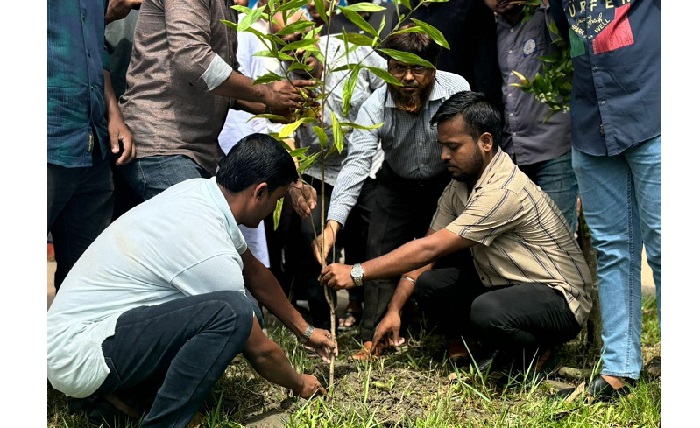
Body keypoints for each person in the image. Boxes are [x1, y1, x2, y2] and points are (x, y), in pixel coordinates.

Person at [47, 134, 335, 427]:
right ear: (260, 192)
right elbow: (259, 349)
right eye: (278, 198)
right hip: (81, 354)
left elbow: (255, 273)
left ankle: (126, 396)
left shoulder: (202, 195)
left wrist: (305, 329)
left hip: (89, 337)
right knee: (233, 313)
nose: (275, 208)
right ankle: (164, 421)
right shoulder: (209, 250)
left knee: (236, 309)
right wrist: (300, 383)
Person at [319, 91, 593, 375]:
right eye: (441, 146)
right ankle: (477, 346)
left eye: (453, 146)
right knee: (430, 283)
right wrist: (394, 310)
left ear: (485, 142)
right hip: (511, 282)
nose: (443, 156)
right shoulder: (460, 185)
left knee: (487, 311)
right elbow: (424, 253)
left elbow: (430, 249)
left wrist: (357, 273)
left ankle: (534, 351)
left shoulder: (503, 191)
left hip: (560, 298)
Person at [312, 28, 471, 359]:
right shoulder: (373, 107)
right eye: (399, 69)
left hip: (446, 184)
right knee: (378, 251)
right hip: (395, 184)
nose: (408, 79)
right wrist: (332, 225)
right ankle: (375, 336)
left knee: (453, 256)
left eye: (418, 69)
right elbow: (356, 166)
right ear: (386, 68)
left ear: (434, 68)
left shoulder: (457, 90)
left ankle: (457, 334)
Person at [548, 0, 661, 401]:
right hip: (591, 121)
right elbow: (565, 34)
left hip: (656, 110)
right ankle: (619, 370)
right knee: (613, 249)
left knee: (668, 247)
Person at [118, 0, 318, 218]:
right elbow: (193, 59)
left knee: (221, 230)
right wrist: (267, 93)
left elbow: (225, 84)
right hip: (162, 143)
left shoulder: (228, 7)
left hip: (200, 151)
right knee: (205, 231)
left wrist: (273, 106)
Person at [282, 31, 386, 330]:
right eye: (285, 42)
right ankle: (322, 324)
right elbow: (278, 125)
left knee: (371, 239)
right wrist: (294, 171)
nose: (295, 47)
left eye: (299, 36)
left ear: (314, 32)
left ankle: (371, 321)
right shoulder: (279, 69)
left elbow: (388, 88)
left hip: (367, 165)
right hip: (317, 170)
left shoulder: (355, 52)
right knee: (310, 237)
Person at [47, 0, 137, 292]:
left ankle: (69, 338)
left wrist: (114, 114)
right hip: (49, 137)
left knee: (86, 281)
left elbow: (96, 50)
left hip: (92, 144)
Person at [484, 0, 578, 234]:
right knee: (519, 241)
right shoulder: (490, 28)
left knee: (557, 238)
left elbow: (570, 33)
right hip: (510, 151)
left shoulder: (547, 16)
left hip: (553, 147)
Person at [406, 0, 502, 106]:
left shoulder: (470, 6)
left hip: (462, 104)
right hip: (416, 103)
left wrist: (484, 107)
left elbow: (486, 65)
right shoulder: (404, 13)